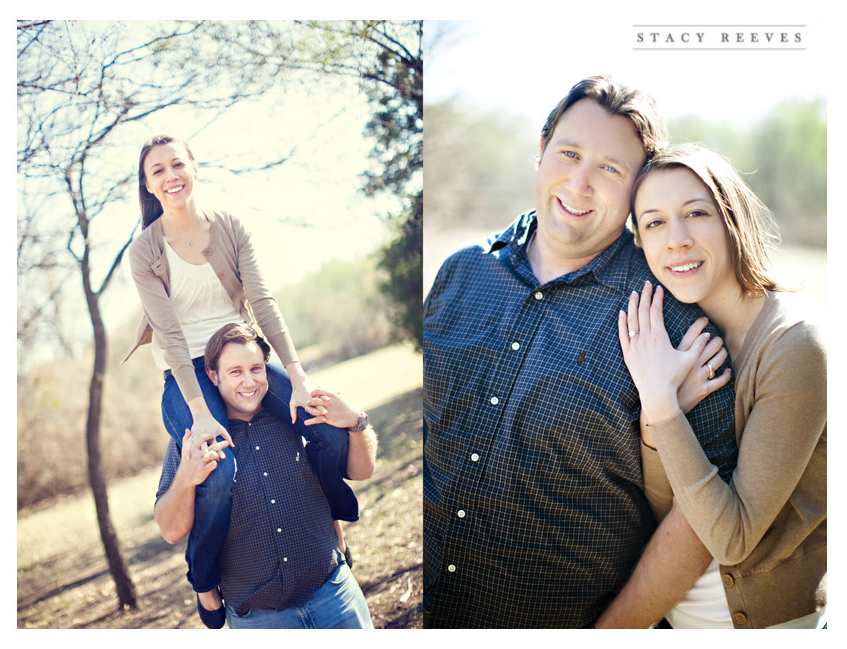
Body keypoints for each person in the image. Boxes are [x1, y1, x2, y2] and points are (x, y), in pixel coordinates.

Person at [422, 75, 739, 628]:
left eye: (611, 169)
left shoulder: (672, 321)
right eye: (569, 153)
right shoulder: (459, 274)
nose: (580, 182)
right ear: (542, 150)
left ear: (638, 189)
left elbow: (699, 516)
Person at [122, 135, 359, 627]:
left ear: (193, 167)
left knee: (324, 427)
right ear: (148, 186)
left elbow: (263, 300)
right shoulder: (144, 250)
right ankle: (205, 583)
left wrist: (296, 376)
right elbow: (167, 331)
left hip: (239, 352)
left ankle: (336, 525)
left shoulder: (229, 227)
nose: (171, 177)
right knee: (219, 471)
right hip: (187, 371)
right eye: (158, 172)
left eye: (177, 165)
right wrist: (204, 413)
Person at [616, 143, 826, 628]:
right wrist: (658, 415)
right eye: (654, 223)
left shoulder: (793, 344)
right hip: (679, 618)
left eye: (696, 213)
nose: (677, 240)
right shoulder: (691, 338)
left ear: (731, 218)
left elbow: (731, 538)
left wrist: (662, 403)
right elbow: (669, 507)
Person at [155, 323, 377, 628]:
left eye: (256, 368)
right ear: (213, 376)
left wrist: (357, 421)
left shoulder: (298, 414)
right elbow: (170, 531)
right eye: (235, 372)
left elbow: (361, 471)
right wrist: (185, 478)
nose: (249, 382)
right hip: (258, 622)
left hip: (334, 597)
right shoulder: (194, 440)